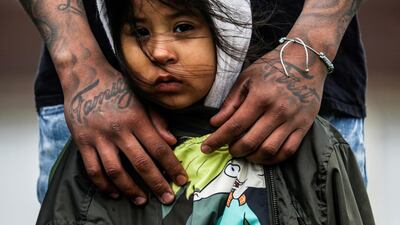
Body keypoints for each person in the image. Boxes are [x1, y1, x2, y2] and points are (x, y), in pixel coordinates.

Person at [36, 1, 374, 224]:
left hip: (300, 99)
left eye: (182, 27)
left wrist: (313, 44)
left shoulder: (318, 149)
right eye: (140, 32)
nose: (159, 52)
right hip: (98, 112)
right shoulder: (87, 163)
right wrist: (76, 62)